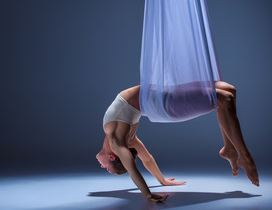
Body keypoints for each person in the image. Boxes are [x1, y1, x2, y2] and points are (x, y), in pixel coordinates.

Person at [96, 81, 259, 202]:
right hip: (159, 98)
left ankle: (229, 148)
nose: (101, 166)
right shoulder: (125, 141)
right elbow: (143, 161)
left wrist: (160, 182)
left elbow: (140, 164)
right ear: (113, 156)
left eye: (105, 168)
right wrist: (149, 192)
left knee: (230, 90)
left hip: (160, 88)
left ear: (113, 156)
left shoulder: (117, 138)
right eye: (105, 168)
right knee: (225, 97)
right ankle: (243, 155)